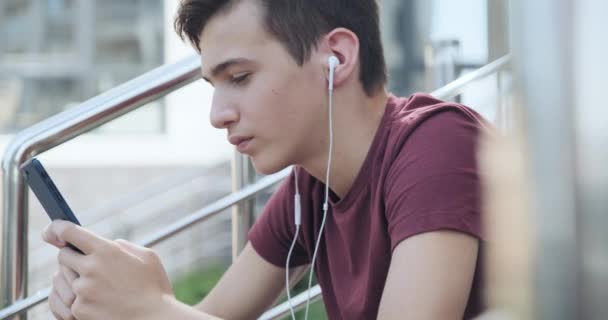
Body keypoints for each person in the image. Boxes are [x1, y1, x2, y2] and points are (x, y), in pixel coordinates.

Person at [43, 0, 491, 319]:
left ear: (336, 57)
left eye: (240, 77)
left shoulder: (438, 143)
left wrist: (153, 309)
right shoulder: (310, 187)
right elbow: (212, 315)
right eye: (214, 86)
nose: (218, 115)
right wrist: (117, 303)